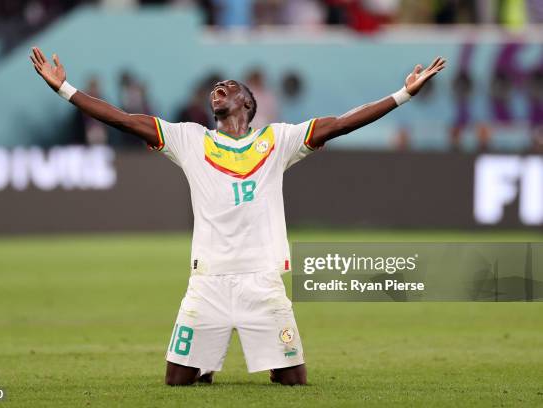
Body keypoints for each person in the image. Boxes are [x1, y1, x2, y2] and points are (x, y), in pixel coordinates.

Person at [30, 47, 446, 385]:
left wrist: (403, 94)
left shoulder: (277, 140)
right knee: (177, 380)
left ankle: (218, 356)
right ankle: (205, 358)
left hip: (261, 281)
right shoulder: (189, 139)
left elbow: (340, 124)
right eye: (214, 87)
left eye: (227, 87)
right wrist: (64, 88)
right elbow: (122, 119)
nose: (218, 89)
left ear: (247, 102)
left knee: (292, 380)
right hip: (208, 281)